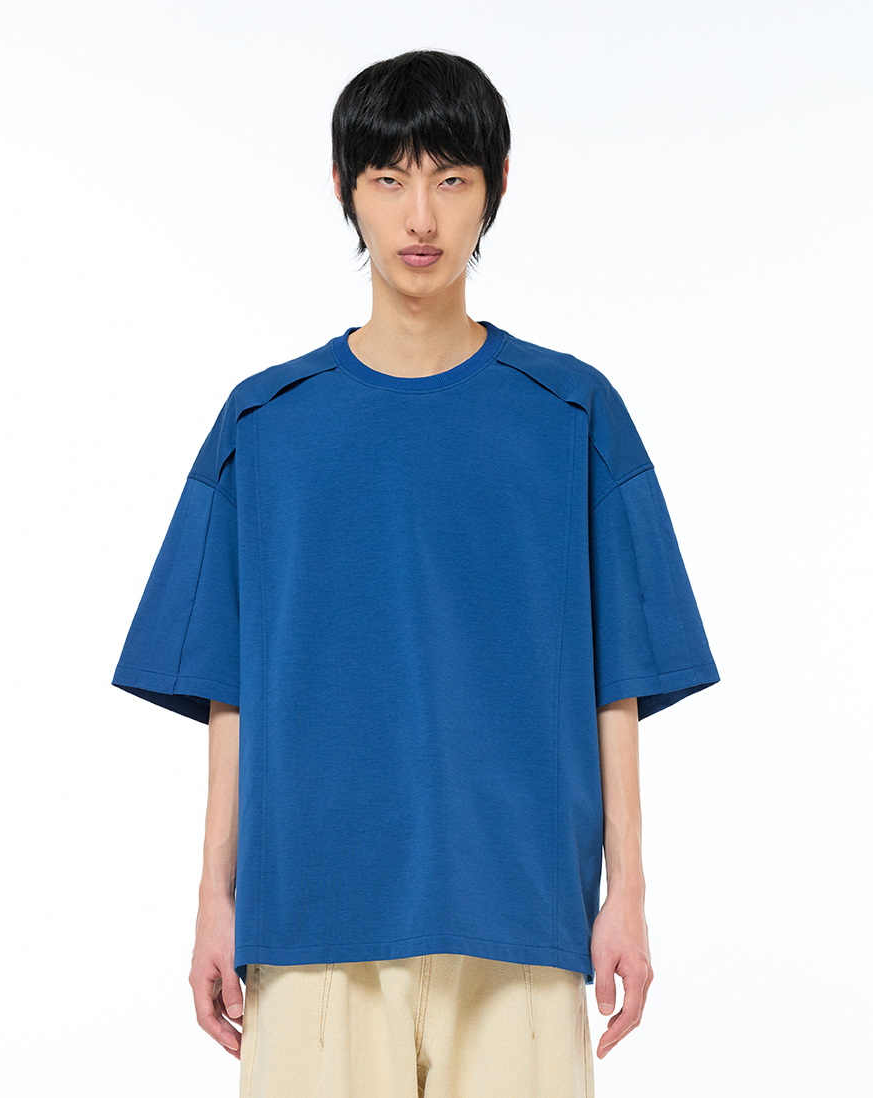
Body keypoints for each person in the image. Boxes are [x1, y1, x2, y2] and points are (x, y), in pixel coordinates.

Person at [111, 48, 720, 1097]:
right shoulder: (266, 425)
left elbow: (617, 676)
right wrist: (215, 897)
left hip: (519, 912)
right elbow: (230, 688)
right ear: (344, 188)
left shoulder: (572, 414)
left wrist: (628, 893)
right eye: (389, 179)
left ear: (497, 186)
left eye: (451, 178)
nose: (421, 217)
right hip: (313, 918)